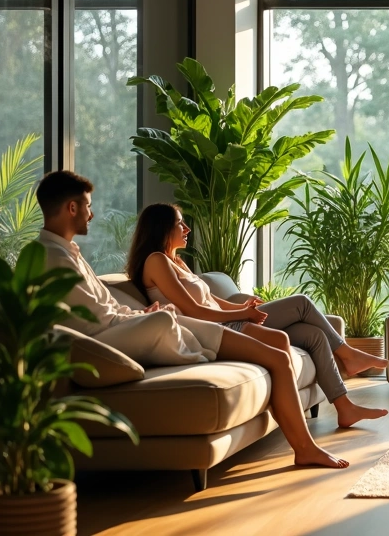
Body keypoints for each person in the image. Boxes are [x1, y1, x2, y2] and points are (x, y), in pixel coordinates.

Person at [35, 171, 348, 468]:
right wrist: (143, 319)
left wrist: (139, 313)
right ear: (71, 207)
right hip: (113, 339)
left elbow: (106, 306)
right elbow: (95, 323)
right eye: (87, 207)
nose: (91, 214)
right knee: (173, 323)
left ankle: (305, 448)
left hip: (131, 327)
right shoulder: (51, 258)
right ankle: (305, 449)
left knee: (277, 355)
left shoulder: (69, 252)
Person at [126, 203, 388, 429]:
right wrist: (244, 314)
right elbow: (192, 310)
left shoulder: (177, 261)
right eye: (180, 224)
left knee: (314, 335)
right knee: (302, 303)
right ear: (161, 228)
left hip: (226, 318)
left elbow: (211, 300)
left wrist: (242, 307)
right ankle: (347, 354)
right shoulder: (156, 261)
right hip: (215, 329)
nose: (187, 229)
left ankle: (345, 407)